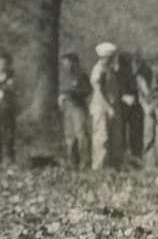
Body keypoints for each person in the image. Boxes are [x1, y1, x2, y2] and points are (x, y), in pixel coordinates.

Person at [89, 42, 121, 170]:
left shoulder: (110, 70)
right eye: (110, 57)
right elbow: (98, 91)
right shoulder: (98, 70)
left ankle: (112, 166)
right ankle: (98, 167)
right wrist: (108, 108)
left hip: (111, 108)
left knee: (114, 137)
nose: (112, 59)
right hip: (101, 109)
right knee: (101, 138)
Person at [58, 52, 92, 169]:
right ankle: (73, 162)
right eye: (64, 64)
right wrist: (62, 96)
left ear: (74, 62)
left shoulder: (82, 76)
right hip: (67, 108)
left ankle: (85, 161)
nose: (66, 66)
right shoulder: (65, 77)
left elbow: (87, 91)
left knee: (81, 134)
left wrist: (71, 93)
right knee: (69, 136)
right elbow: (62, 90)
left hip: (78, 108)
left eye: (68, 63)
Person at [115, 52, 144, 166]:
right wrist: (123, 96)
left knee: (135, 135)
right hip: (120, 108)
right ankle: (121, 160)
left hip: (134, 109)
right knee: (120, 135)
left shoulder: (134, 75)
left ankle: (135, 159)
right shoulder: (116, 75)